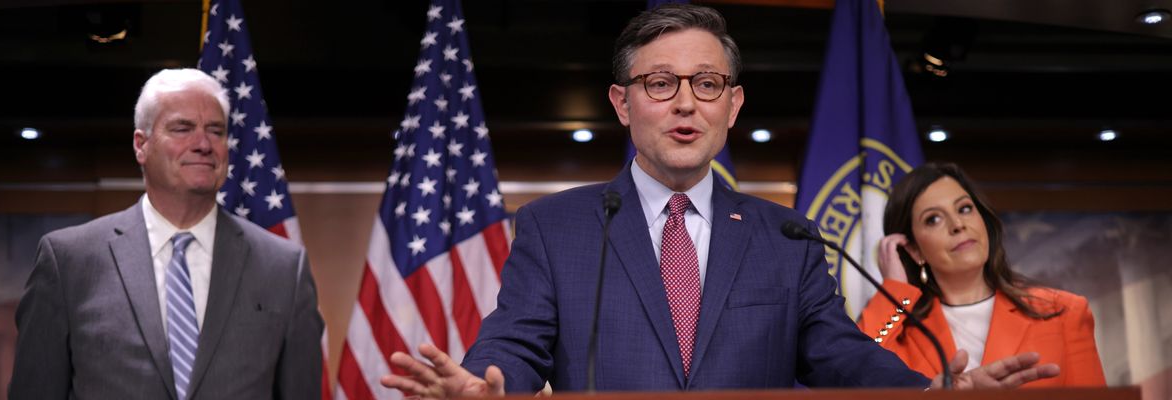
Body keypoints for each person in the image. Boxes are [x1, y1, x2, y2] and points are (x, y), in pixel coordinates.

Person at [380, 4, 1058, 397]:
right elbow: (515, 343)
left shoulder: (787, 236)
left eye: (706, 84)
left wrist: (932, 392)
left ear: (732, 106)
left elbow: (839, 355)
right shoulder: (556, 227)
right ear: (621, 103)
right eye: (660, 83)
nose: (685, 103)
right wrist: (482, 386)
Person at [9, 68, 324, 399]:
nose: (203, 144)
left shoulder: (283, 268)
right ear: (141, 145)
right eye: (182, 129)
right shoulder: (69, 262)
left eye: (215, 131)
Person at [860, 162, 1106, 387]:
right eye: (933, 219)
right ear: (914, 249)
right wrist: (894, 290)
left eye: (965, 208)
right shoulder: (900, 332)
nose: (958, 224)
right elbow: (855, 373)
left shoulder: (1064, 312)